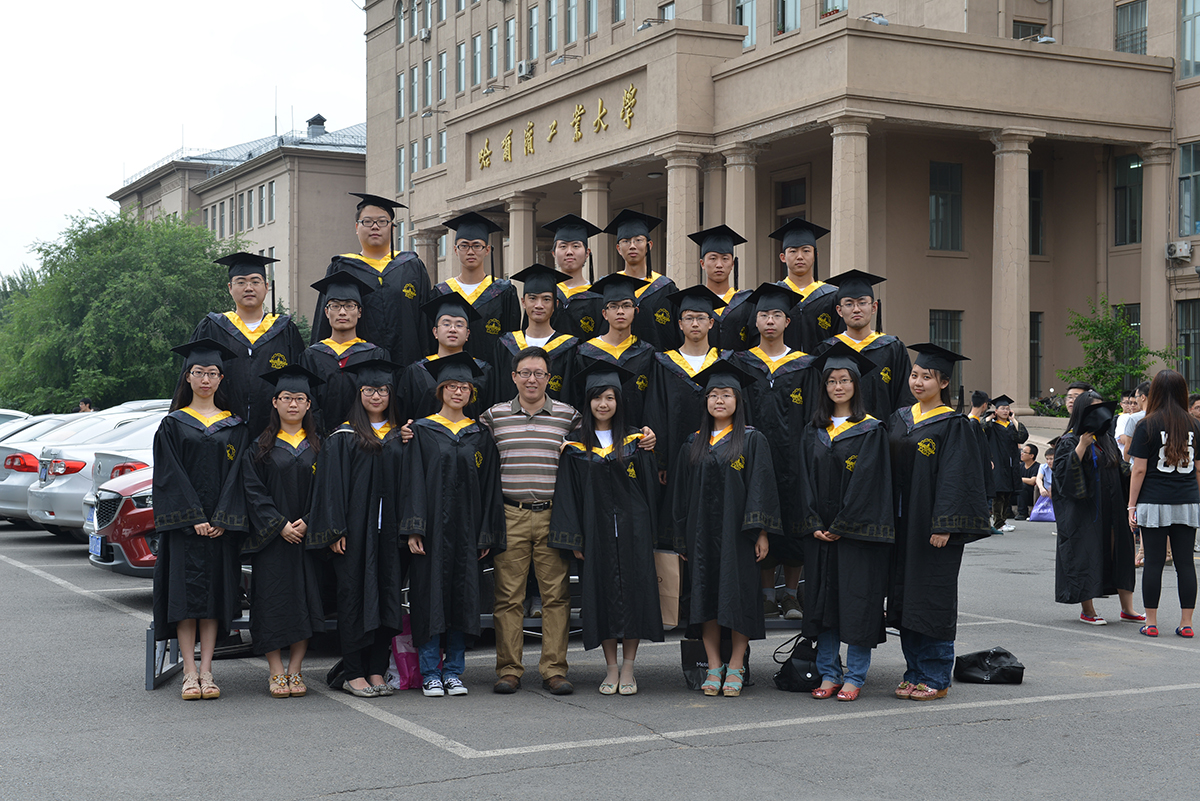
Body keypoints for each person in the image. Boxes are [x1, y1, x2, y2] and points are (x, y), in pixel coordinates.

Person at [482, 346, 657, 696]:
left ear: (549, 378)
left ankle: (554, 670)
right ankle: (509, 670)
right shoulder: (493, 417)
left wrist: (647, 435)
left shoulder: (569, 416)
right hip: (510, 513)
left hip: (553, 514)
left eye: (539, 373)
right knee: (508, 597)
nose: (532, 379)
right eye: (525, 373)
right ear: (514, 377)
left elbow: (602, 432)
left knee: (556, 596)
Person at [549, 360, 663, 694]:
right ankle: (611, 667)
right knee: (602, 598)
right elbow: (568, 495)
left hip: (633, 533)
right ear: (588, 402)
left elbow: (650, 490)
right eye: (597, 398)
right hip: (595, 534)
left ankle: (629, 668)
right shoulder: (573, 445)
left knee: (634, 597)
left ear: (619, 402)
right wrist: (575, 538)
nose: (603, 404)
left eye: (610, 398)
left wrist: (651, 531)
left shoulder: (636, 440)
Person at [670, 359, 782, 698]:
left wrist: (761, 532)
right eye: (713, 395)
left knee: (739, 596)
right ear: (705, 400)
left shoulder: (752, 439)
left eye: (727, 395)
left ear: (738, 400)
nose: (719, 400)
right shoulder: (693, 443)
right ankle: (713, 665)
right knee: (705, 597)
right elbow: (680, 495)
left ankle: (736, 665)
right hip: (700, 535)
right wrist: (681, 539)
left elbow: (761, 486)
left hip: (739, 535)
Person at [888, 343, 990, 701]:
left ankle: (936, 675)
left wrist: (945, 523)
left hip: (932, 528)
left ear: (944, 382)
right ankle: (913, 671)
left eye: (927, 377)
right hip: (902, 525)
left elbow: (957, 477)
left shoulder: (954, 425)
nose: (918, 382)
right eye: (915, 375)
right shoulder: (900, 418)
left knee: (932, 599)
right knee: (905, 598)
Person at [216, 365, 325, 698]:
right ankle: (276, 670)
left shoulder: (321, 446)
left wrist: (309, 520)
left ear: (309, 404)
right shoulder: (259, 447)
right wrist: (279, 525)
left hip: (307, 538)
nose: (293, 404)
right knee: (271, 604)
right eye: (286, 397)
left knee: (305, 603)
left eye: (300, 398)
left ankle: (296, 669)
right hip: (271, 541)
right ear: (275, 402)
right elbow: (253, 491)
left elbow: (329, 491)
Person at [403, 352, 506, 697]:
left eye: (464, 387)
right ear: (440, 390)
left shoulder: (481, 435)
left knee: (463, 599)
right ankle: (430, 671)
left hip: (466, 532)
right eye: (451, 386)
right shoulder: (421, 430)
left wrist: (485, 534)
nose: (458, 392)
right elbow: (413, 480)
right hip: (432, 531)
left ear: (471, 393)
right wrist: (414, 527)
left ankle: (454, 671)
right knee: (429, 598)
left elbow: (490, 487)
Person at [152, 339, 249, 701]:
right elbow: (169, 475)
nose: (205, 379)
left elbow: (238, 476)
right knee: (185, 601)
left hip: (220, 529)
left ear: (221, 378)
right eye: (198, 372)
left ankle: (207, 670)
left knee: (213, 601)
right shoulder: (172, 425)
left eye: (212, 373)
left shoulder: (235, 427)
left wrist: (223, 516)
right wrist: (192, 516)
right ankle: (188, 673)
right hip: (185, 529)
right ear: (188, 377)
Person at [800, 342, 894, 702]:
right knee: (823, 606)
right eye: (831, 381)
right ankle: (829, 673)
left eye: (844, 380)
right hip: (820, 534)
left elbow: (869, 483)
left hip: (856, 536)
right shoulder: (813, 430)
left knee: (857, 604)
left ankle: (855, 675)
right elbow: (803, 480)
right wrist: (812, 522)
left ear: (856, 384)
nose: (838, 387)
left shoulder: (871, 430)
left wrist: (842, 524)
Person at [308, 357, 406, 698]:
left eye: (382, 390)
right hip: (354, 536)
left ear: (390, 394)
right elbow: (331, 488)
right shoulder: (343, 436)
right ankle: (353, 672)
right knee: (353, 601)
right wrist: (335, 530)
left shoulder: (401, 436)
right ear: (359, 393)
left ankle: (377, 669)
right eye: (369, 390)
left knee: (387, 599)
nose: (376, 396)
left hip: (389, 535)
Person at [731, 283, 813, 620]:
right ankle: (766, 596)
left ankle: (790, 595)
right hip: (753, 457)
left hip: (795, 458)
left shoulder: (804, 365)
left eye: (776, 315)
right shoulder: (741, 363)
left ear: (787, 322)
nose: (769, 321)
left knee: (794, 522)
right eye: (763, 314)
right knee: (759, 517)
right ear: (755, 321)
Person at [189, 252, 305, 438]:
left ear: (266, 287)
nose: (248, 288)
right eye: (241, 282)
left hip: (275, 434)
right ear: (230, 287)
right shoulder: (212, 328)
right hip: (220, 432)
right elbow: (189, 381)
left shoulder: (285, 330)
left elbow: (301, 385)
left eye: (255, 281)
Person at [310, 193, 431, 369]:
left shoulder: (412, 266)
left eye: (382, 221)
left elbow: (425, 323)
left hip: (408, 365)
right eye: (367, 221)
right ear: (356, 227)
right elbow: (326, 320)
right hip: (357, 369)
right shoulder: (342, 267)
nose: (375, 226)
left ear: (392, 228)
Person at [1052, 392, 1143, 625]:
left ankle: (1127, 609)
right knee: (1088, 555)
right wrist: (1082, 446)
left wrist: (1139, 473)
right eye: (1094, 409)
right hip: (1085, 512)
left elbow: (1121, 468)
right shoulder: (1069, 440)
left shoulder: (1106, 439)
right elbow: (1062, 477)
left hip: (1113, 507)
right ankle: (1088, 610)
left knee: (1120, 553)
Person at [1127, 369, 1198, 639]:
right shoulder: (1195, 425)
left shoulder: (1147, 424)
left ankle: (1152, 622)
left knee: (1153, 563)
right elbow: (1199, 469)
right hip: (1187, 501)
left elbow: (1139, 469)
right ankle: (1186, 623)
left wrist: (1131, 505)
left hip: (1154, 500)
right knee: (1185, 563)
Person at [645, 285, 725, 488]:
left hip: (720, 456)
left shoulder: (724, 361)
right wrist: (661, 461)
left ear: (711, 323)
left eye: (701, 318)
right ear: (680, 324)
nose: (695, 323)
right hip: (675, 457)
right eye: (689, 318)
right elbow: (657, 412)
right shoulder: (664, 363)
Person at [818, 270, 915, 422]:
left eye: (862, 303)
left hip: (884, 433)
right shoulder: (827, 349)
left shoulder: (892, 349)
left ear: (874, 307)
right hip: (837, 433)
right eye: (849, 304)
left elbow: (905, 398)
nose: (856, 309)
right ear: (839, 310)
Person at [300, 269, 390, 433]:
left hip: (366, 438)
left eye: (349, 306)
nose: (342, 312)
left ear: (359, 312)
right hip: (320, 438)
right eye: (335, 306)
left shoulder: (375, 355)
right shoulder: (312, 356)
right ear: (326, 312)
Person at [432, 211, 520, 362]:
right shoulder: (441, 292)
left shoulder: (503, 291)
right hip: (449, 372)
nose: (470, 251)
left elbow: (511, 340)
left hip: (491, 372)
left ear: (487, 250)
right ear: (455, 250)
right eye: (464, 246)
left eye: (477, 246)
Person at [572, 273, 657, 426]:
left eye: (626, 305)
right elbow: (578, 399)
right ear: (604, 314)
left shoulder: (647, 353)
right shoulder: (586, 353)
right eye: (613, 306)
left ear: (635, 311)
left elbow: (653, 401)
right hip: (596, 433)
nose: (620, 311)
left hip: (637, 434)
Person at [396, 294, 493, 422]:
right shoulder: (416, 371)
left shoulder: (483, 371)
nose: (452, 329)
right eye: (446, 324)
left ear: (467, 334)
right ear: (435, 332)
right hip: (424, 435)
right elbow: (403, 415)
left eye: (459, 325)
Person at [492, 264, 578, 403]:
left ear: (556, 304)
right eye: (532, 298)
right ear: (523, 302)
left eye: (546, 299)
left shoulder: (568, 347)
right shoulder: (507, 344)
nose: (539, 305)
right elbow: (498, 392)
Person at [603, 209, 681, 352]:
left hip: (658, 362)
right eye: (626, 241)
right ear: (619, 249)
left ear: (649, 246)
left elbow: (677, 334)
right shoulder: (609, 286)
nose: (632, 246)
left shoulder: (665, 288)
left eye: (638, 240)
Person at [768, 217, 844, 353]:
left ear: (815, 255)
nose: (800, 256)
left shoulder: (832, 296)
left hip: (822, 365)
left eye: (806, 251)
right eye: (793, 251)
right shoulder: (773, 294)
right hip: (784, 366)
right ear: (783, 257)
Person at [687, 225, 753, 351]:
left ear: (732, 264)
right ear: (702, 264)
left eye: (725, 259)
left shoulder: (747, 302)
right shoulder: (692, 301)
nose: (719, 265)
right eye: (713, 258)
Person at [544, 214, 605, 340]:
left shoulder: (598, 298)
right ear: (554, 253)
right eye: (563, 246)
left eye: (576, 246)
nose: (569, 252)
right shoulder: (544, 294)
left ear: (587, 253)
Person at [983, 394, 1029, 531]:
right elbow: (981, 428)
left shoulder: (1011, 426)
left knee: (1008, 493)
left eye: (1007, 408)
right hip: (997, 463)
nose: (1005, 411)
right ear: (996, 410)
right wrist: (990, 417)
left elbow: (1022, 436)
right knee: (999, 494)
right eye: (1002, 408)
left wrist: (1013, 419)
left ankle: (1003, 521)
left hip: (1010, 464)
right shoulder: (992, 426)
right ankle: (998, 523)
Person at [1118, 381, 1150, 461]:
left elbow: (1128, 446)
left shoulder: (1134, 418)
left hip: (1137, 463)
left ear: (1143, 397)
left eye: (1136, 397)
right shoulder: (1162, 416)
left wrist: (1126, 465)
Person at [1017, 443, 1040, 520]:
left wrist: (1019, 479)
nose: (1021, 453)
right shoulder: (1020, 466)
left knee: (1022, 486)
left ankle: (1022, 513)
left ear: (1031, 456)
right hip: (1019, 494)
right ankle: (1007, 512)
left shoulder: (1037, 466)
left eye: (1024, 452)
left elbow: (1032, 481)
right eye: (1022, 451)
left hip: (1031, 494)